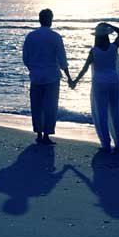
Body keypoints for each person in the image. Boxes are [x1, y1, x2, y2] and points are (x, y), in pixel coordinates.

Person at [70, 22, 119, 153]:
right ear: (107, 36)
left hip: (99, 83)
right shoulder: (114, 47)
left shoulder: (94, 51)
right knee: (116, 113)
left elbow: (84, 68)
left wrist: (75, 81)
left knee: (101, 113)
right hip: (114, 82)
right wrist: (109, 25)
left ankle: (106, 144)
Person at [23, 8, 72, 145]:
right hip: (52, 76)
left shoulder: (31, 36)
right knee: (50, 106)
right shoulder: (55, 37)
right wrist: (69, 77)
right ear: (50, 20)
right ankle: (46, 134)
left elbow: (25, 58)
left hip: (36, 76)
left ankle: (38, 133)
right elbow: (62, 60)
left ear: (40, 19)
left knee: (37, 106)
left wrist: (33, 69)